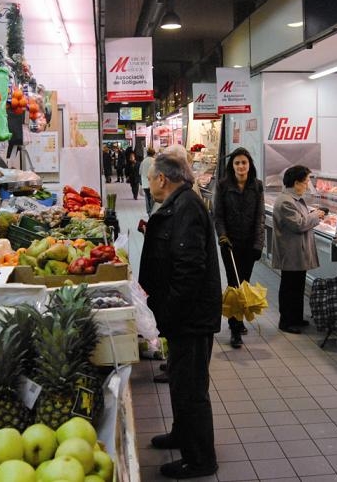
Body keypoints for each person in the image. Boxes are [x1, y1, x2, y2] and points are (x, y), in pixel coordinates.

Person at [139, 152, 221, 479]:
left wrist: (168, 313)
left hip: (190, 317)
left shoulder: (186, 207)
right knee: (180, 382)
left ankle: (200, 460)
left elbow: (189, 270)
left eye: (150, 178)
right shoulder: (181, 203)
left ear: (162, 179)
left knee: (191, 389)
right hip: (184, 316)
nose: (149, 184)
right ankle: (181, 433)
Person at [213, 147, 265, 348]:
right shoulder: (223, 185)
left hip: (249, 243)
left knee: (245, 282)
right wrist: (223, 237)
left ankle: (239, 320)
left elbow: (260, 217)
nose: (241, 166)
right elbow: (218, 216)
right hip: (230, 244)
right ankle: (235, 329)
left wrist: (259, 244)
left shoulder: (257, 186)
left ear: (249, 165)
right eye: (237, 163)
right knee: (235, 284)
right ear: (232, 166)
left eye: (244, 162)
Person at [271, 165, 324, 334]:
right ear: (296, 183)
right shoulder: (286, 201)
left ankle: (296, 317)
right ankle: (286, 321)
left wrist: (312, 214)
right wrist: (316, 216)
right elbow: (299, 224)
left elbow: (301, 218)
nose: (308, 185)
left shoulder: (294, 198)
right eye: (306, 181)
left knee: (297, 286)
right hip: (291, 251)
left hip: (297, 251)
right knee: (289, 287)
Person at [139, 147, 156, 215]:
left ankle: (148, 211)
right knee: (152, 197)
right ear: (153, 153)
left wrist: (141, 182)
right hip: (153, 182)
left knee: (147, 196)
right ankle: (151, 210)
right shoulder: (154, 161)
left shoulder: (143, 161)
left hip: (145, 183)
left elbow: (140, 172)